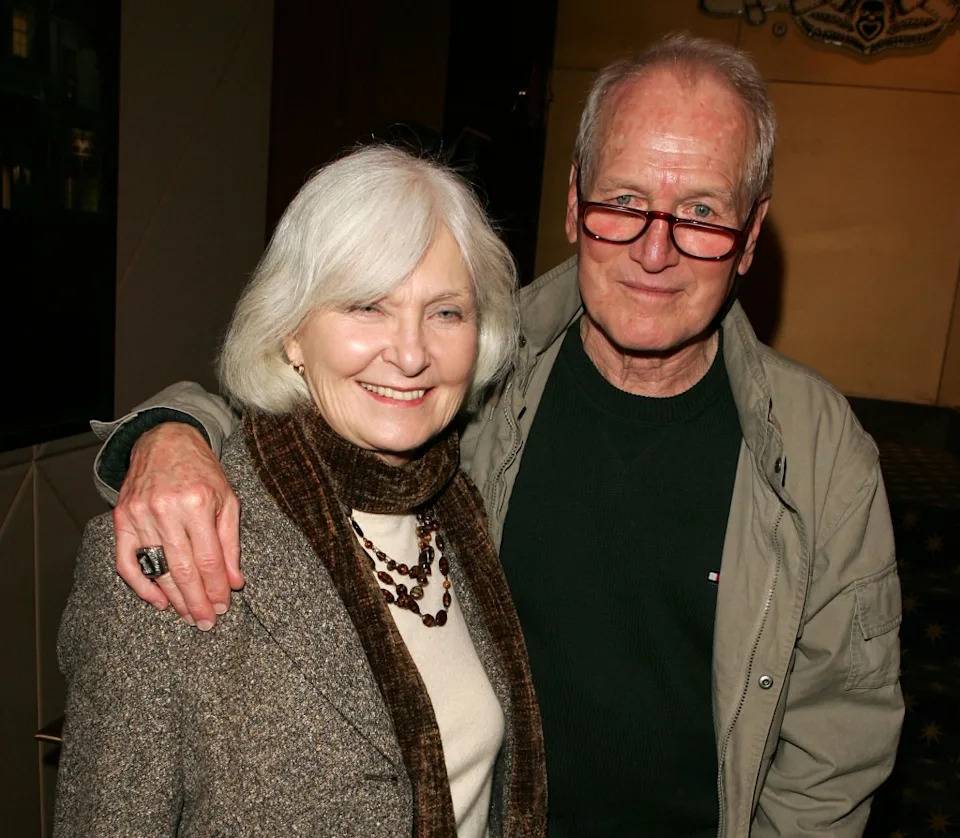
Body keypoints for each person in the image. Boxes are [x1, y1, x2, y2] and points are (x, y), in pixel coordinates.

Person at [87, 33, 903, 836]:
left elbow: (841, 734)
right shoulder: (490, 380)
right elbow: (308, 415)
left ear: (751, 234)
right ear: (577, 203)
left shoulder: (818, 452)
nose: (657, 250)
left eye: (700, 212)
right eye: (624, 202)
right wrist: (166, 433)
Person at [55, 145, 547, 837]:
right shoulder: (168, 548)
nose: (410, 354)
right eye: (367, 306)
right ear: (291, 331)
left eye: (446, 313)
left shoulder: (465, 513)